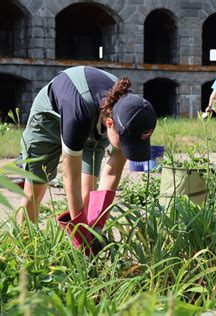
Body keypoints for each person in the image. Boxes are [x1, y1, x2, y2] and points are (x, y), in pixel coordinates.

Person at [20, 66, 157, 247]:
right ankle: (25, 246)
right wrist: (81, 236)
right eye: (125, 143)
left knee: (88, 194)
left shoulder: (132, 115)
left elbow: (112, 172)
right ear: (110, 124)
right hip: (50, 118)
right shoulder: (78, 116)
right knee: (35, 191)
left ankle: (80, 254)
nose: (127, 148)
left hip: (96, 118)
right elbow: (71, 182)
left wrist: (97, 226)